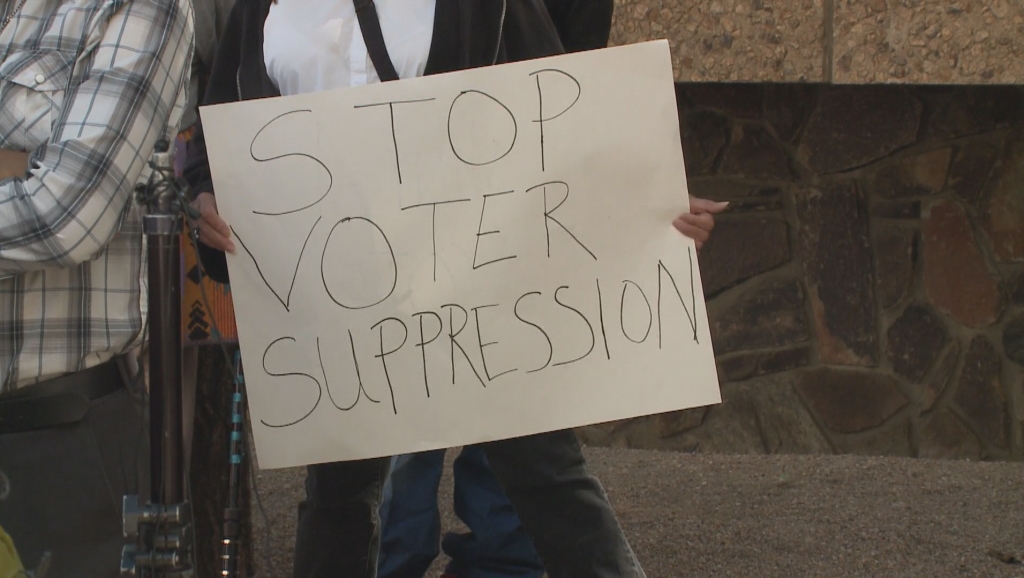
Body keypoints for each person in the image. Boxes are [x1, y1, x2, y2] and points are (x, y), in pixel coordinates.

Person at [186, 1, 723, 577]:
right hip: (338, 299)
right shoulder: (259, 6)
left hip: (479, 282)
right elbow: (217, 137)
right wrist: (206, 200)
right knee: (337, 496)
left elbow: (562, 110)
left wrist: (647, 199)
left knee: (545, 472)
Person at [376, 4, 726, 577]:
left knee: (518, 439)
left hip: (516, 202)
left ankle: (488, 561)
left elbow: (568, 77)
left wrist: (643, 197)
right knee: (398, 429)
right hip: (404, 211)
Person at [0, 0, 194, 575]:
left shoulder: (138, 8)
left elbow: (68, 214)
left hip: (54, 437)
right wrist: (22, 165)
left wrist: (34, 172)